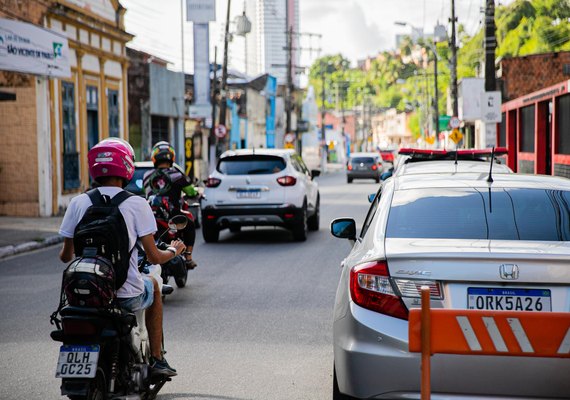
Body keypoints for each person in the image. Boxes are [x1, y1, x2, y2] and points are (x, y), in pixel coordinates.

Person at [58, 138, 185, 376]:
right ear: (126, 166)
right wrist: (174, 251)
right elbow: (154, 257)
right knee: (155, 286)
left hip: (82, 297)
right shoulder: (136, 204)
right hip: (126, 295)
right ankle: (157, 359)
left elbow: (65, 256)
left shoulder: (78, 202)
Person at [143, 141, 198, 269]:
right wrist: (196, 192)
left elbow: (145, 193)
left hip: (152, 217)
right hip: (173, 216)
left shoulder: (147, 175)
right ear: (171, 157)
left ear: (154, 158)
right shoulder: (177, 174)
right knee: (190, 223)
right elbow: (190, 191)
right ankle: (188, 257)